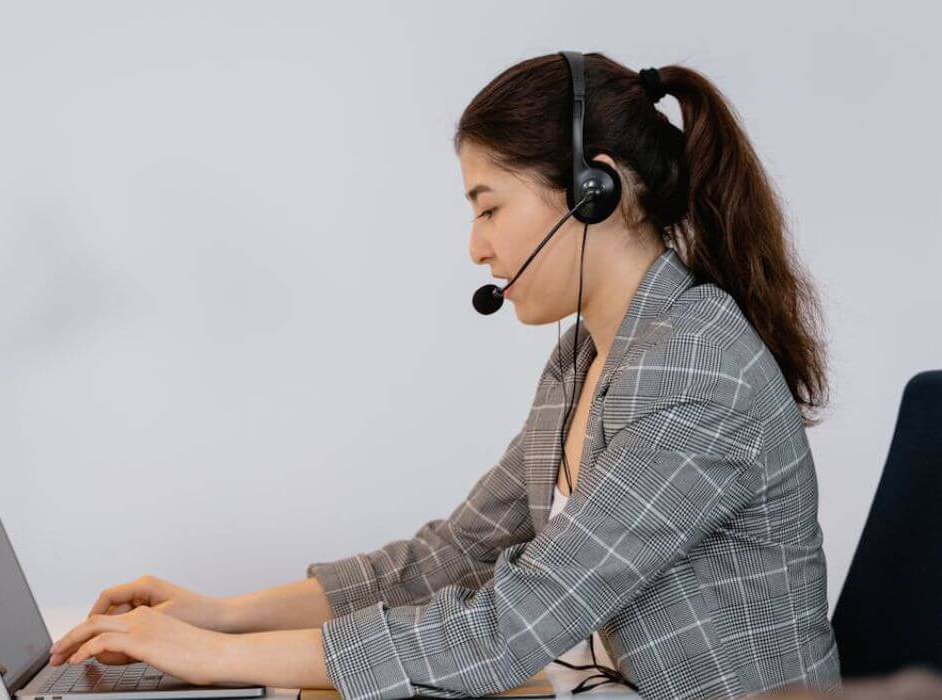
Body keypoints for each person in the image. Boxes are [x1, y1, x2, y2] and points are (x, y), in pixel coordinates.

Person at [47, 51, 841, 699]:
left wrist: (214, 660)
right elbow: (452, 556)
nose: (476, 246)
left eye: (489, 208)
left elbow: (506, 629)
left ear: (593, 192)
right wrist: (220, 618)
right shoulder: (585, 357)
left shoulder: (694, 372)